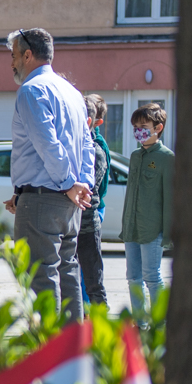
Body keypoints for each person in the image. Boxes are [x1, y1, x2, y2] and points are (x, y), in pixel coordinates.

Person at [2, 27, 94, 320]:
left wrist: (69, 184)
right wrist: (82, 185)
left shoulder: (31, 90)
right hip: (68, 202)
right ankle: (73, 354)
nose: (12, 63)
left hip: (45, 198)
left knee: (41, 277)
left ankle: (49, 356)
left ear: (28, 55)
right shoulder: (72, 92)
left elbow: (47, 143)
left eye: (14, 55)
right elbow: (86, 144)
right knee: (66, 273)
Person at [122, 103, 174, 323]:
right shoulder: (135, 156)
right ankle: (139, 324)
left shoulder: (166, 158)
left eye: (143, 125)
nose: (138, 130)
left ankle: (160, 326)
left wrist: (168, 235)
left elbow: (170, 199)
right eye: (135, 126)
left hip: (152, 230)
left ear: (158, 127)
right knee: (133, 278)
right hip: (131, 228)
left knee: (152, 278)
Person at [77, 94, 112, 307]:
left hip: (88, 223)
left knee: (92, 279)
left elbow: (92, 189)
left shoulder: (96, 150)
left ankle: (99, 322)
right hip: (71, 223)